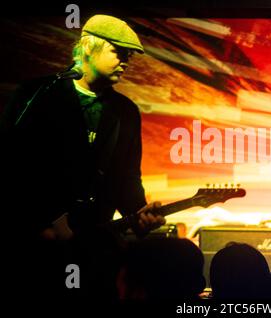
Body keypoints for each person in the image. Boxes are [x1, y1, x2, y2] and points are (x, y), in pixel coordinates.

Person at [1, 15, 165, 299]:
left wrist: (139, 214)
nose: (125, 61)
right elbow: (13, 165)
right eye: (118, 52)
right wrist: (40, 223)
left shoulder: (125, 112)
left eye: (128, 55)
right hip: (36, 247)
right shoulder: (38, 93)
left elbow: (127, 179)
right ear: (88, 48)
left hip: (95, 249)